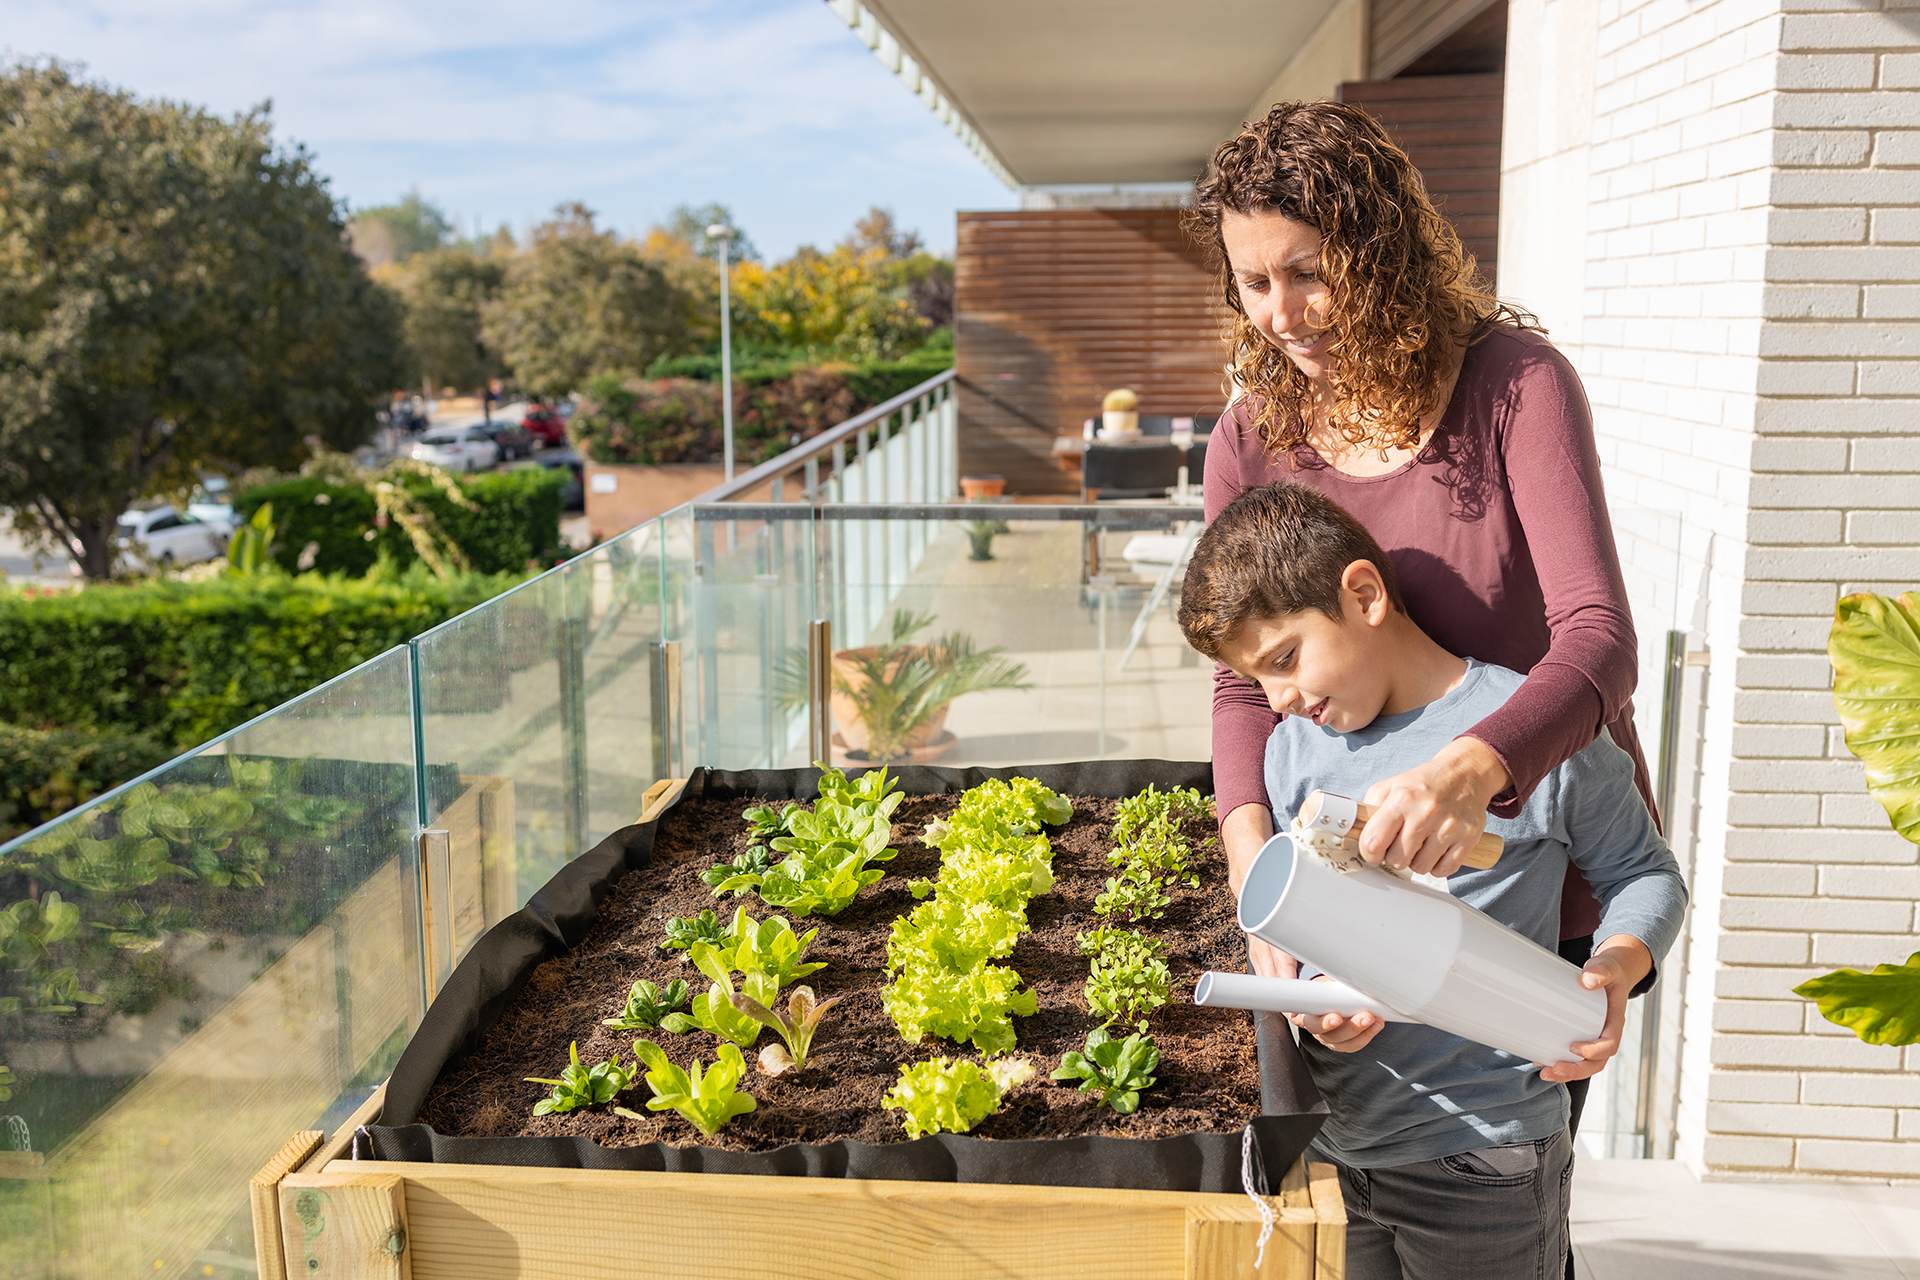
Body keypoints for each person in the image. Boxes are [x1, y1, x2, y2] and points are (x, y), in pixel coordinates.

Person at [1189, 101, 1657, 1074]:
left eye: (1310, 272)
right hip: (1356, 894)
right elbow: (1242, 687)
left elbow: (1599, 639)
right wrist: (1251, 865)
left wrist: (1467, 771)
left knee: (1505, 1174)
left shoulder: (1514, 388)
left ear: (1377, 252)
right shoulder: (1249, 439)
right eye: (1255, 284)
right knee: (1376, 1185)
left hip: (1525, 862)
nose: (1282, 313)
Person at [1179, 483, 1686, 1280]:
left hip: (1485, 1157)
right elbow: (1314, 921)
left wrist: (1618, 967)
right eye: (1259, 679)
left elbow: (1644, 872)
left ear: (1364, 594)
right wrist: (1319, 998)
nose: (1280, 699)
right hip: (1339, 1153)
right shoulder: (1291, 755)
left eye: (1285, 659)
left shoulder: (1528, 730)